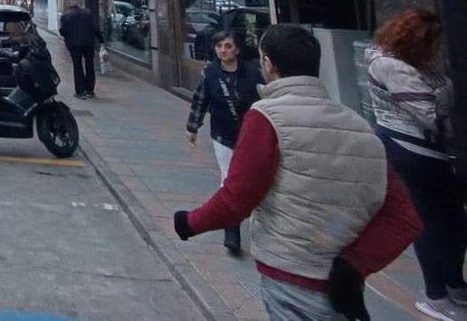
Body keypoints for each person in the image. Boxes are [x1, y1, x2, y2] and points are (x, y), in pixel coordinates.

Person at [173, 24, 421, 321]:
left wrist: (190, 222)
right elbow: (404, 218)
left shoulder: (267, 117)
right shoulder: (359, 126)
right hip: (344, 286)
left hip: (290, 273)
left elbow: (238, 197)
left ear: (268, 64)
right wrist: (352, 266)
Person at [366, 9, 466, 321]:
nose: (436, 47)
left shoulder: (415, 63)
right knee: (431, 223)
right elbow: (431, 115)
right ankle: (435, 294)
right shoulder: (392, 66)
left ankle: (454, 283)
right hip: (411, 150)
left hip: (434, 152)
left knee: (453, 221)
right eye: (432, 40)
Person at [185, 30, 264, 255]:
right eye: (219, 46)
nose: (223, 50)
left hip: (250, 133)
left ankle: (259, 228)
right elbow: (200, 100)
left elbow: (265, 100)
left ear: (237, 49)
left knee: (253, 179)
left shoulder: (253, 73)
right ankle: (231, 230)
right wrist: (192, 127)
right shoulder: (210, 73)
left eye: (228, 46)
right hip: (223, 132)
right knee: (229, 179)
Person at [59, 0, 102, 99]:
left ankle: (80, 91)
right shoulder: (87, 13)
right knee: (90, 65)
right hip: (88, 44)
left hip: (74, 45)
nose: (65, 3)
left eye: (66, 1)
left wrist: (68, 37)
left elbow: (63, 31)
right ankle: (90, 90)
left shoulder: (66, 15)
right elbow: (95, 28)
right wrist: (101, 40)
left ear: (69, 2)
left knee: (77, 66)